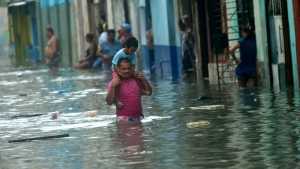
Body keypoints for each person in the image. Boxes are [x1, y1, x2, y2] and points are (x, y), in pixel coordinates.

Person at [106, 58, 152, 122]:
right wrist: (113, 86)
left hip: (139, 117)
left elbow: (149, 93)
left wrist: (144, 79)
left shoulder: (137, 79)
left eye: (129, 68)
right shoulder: (115, 83)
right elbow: (109, 102)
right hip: (124, 119)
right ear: (118, 68)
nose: (127, 71)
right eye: (124, 69)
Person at [111, 36, 150, 108]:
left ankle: (142, 89)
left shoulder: (133, 54)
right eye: (131, 50)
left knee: (136, 75)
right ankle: (116, 99)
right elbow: (115, 65)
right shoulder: (120, 53)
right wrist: (120, 73)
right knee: (117, 80)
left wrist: (130, 73)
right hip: (116, 70)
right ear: (126, 47)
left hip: (128, 69)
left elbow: (133, 65)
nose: (133, 52)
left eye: (134, 50)